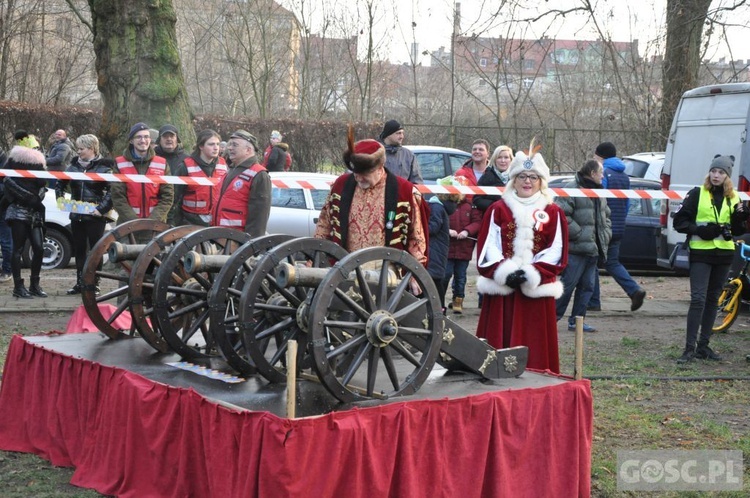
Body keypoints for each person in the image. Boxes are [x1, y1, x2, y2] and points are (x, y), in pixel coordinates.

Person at [475, 145, 568, 373]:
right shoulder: (498, 209)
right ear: (513, 180)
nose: (527, 181)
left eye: (533, 177)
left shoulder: (553, 212)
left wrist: (531, 273)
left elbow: (556, 249)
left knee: (535, 347)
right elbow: (488, 245)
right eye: (522, 177)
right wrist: (505, 272)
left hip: (535, 292)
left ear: (541, 181)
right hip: (502, 291)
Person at [315, 128, 427, 269]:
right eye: (355, 173)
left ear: (380, 168)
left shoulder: (404, 191)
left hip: (385, 270)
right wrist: (314, 256)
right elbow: (324, 224)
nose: (358, 178)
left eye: (364, 174)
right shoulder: (340, 185)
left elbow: (416, 235)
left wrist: (416, 271)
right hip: (343, 265)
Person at [673, 155, 748, 363]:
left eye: (721, 172)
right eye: (714, 171)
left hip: (724, 254)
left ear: (727, 176)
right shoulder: (697, 194)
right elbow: (678, 222)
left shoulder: (733, 197)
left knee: (713, 300)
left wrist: (742, 218)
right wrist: (700, 230)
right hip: (701, 253)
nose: (716, 175)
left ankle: (703, 347)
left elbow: (738, 230)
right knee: (698, 299)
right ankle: (688, 349)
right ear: (709, 173)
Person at [588, 141, 647, 312]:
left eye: (595, 155)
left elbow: (599, 200)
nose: (594, 158)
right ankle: (634, 290)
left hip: (603, 226)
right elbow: (627, 203)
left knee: (592, 262)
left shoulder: (603, 174)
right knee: (612, 262)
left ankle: (593, 302)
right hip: (619, 226)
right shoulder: (624, 176)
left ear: (601, 156)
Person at [555, 160, 612, 333]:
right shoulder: (571, 189)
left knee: (587, 287)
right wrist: (579, 234)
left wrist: (606, 233)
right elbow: (561, 215)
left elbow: (606, 215)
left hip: (593, 249)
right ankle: (550, 319)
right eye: (601, 172)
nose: (603, 176)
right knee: (568, 286)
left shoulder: (599, 192)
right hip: (576, 249)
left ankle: (577, 321)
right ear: (593, 173)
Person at [55, 134, 114, 295]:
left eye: (81, 149)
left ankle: (94, 283)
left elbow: (112, 191)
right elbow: (60, 183)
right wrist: (60, 199)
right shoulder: (72, 167)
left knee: (96, 250)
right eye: (78, 148)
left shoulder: (104, 168)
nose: (78, 151)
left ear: (92, 149)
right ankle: (80, 283)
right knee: (80, 249)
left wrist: (100, 209)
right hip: (76, 215)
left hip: (95, 216)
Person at [2, 146, 48, 298]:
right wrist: (29, 198)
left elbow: (43, 185)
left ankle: (34, 284)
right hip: (18, 209)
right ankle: (18, 286)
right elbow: (7, 180)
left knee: (39, 248)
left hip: (35, 211)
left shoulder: (39, 164)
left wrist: (37, 198)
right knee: (18, 249)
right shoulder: (13, 162)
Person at [212, 130, 271, 237]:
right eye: (230, 145)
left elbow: (259, 216)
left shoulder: (259, 174)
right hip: (222, 237)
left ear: (248, 150)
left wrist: (251, 245)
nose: (229, 148)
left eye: (235, 145)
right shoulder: (232, 170)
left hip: (237, 239)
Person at [111, 122, 174, 224]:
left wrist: (152, 220)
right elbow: (117, 197)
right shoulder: (120, 163)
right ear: (131, 140)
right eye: (138, 137)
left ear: (150, 139)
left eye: (146, 137)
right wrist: (134, 222)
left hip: (156, 225)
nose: (143, 140)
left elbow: (167, 196)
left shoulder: (162, 163)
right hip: (128, 225)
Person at [172, 129, 228, 227]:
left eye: (218, 144)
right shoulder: (186, 166)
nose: (216, 148)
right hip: (190, 220)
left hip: (216, 218)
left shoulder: (223, 164)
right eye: (211, 144)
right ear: (201, 146)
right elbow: (174, 195)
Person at [444, 177, 482, 314]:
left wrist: (467, 231)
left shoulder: (471, 206)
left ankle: (458, 300)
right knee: (446, 274)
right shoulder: (445, 205)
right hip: (448, 248)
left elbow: (477, 222)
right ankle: (440, 299)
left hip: (464, 248)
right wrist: (447, 230)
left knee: (460, 276)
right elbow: (441, 219)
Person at [427, 192, 459, 313]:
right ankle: (440, 309)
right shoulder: (442, 207)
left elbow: (433, 227)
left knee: (434, 280)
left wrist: (419, 228)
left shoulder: (436, 207)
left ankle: (439, 311)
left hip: (433, 249)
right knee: (437, 280)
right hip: (439, 249)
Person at [473, 144, 514, 213]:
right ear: (494, 160)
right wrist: (494, 206)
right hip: (492, 216)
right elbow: (477, 199)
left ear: (511, 159)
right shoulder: (486, 176)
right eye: (499, 157)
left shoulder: (517, 177)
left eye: (506, 157)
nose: (503, 161)